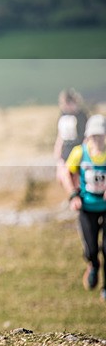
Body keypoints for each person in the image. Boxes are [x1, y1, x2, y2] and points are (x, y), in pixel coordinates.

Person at [63, 114, 106, 300]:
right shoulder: (79, 153)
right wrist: (73, 194)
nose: (97, 139)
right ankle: (93, 265)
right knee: (91, 250)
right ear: (88, 136)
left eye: (100, 135)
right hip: (87, 207)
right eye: (93, 135)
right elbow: (67, 172)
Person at [54, 88, 88, 187]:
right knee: (63, 178)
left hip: (77, 152)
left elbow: (85, 137)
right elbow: (60, 135)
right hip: (65, 151)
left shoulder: (81, 116)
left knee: (75, 179)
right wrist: (57, 151)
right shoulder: (62, 115)